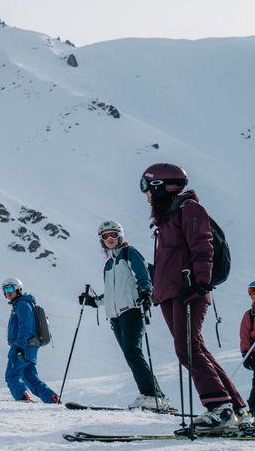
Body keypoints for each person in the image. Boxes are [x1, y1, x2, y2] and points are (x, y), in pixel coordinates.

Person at [142, 163, 246, 431]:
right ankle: (234, 408)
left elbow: (203, 247)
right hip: (170, 292)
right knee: (193, 347)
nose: (146, 194)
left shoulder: (189, 210)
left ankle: (218, 408)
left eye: (146, 187)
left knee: (187, 348)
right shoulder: (167, 217)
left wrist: (200, 283)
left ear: (160, 186)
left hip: (188, 291)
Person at [97, 220, 167, 410]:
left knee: (133, 352)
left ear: (120, 235)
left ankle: (153, 395)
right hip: (115, 316)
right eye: (105, 236)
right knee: (130, 355)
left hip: (132, 310)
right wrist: (94, 301)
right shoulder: (109, 265)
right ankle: (152, 395)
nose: (110, 239)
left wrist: (145, 291)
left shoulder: (129, 253)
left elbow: (142, 274)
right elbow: (112, 292)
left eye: (113, 235)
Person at [2, 278, 58, 404]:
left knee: (12, 375)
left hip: (23, 345)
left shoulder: (22, 304)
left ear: (18, 289)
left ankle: (23, 398)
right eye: (5, 290)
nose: (8, 292)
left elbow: (26, 326)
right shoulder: (23, 304)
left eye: (10, 288)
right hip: (30, 346)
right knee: (30, 377)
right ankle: (51, 398)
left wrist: (19, 346)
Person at [239, 281, 255, 409]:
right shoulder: (249, 315)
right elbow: (244, 335)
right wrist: (245, 353)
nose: (252, 295)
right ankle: (253, 409)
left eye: (254, 291)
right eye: (250, 291)